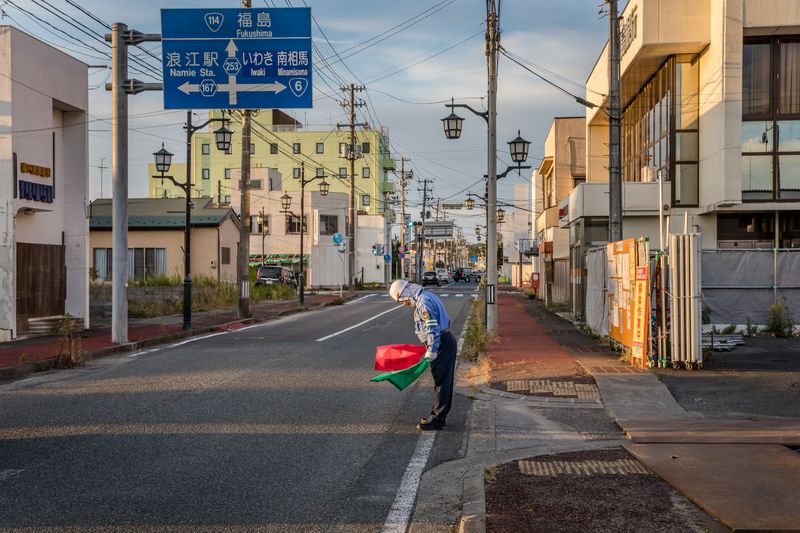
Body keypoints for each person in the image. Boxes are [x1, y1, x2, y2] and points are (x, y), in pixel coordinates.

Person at [389, 279, 458, 431]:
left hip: (440, 344)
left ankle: (437, 418)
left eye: (402, 299)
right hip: (445, 341)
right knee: (445, 381)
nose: (404, 303)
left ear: (405, 292)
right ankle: (441, 415)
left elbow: (432, 328)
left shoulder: (423, 302)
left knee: (441, 383)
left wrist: (432, 349)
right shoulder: (428, 296)